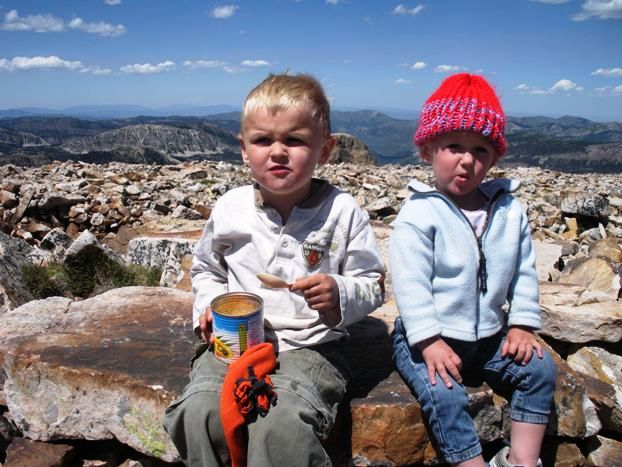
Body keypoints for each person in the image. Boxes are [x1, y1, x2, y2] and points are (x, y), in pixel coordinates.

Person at [163, 72, 385, 466]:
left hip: (311, 345)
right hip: (235, 343)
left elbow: (372, 284)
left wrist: (339, 293)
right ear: (244, 150)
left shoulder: (342, 212)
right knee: (198, 411)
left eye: (294, 140)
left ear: (325, 150)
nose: (277, 151)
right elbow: (207, 268)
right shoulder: (231, 208)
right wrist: (211, 304)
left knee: (281, 425)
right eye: (263, 140)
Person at [390, 73, 556, 467]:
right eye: (453, 146)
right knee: (444, 392)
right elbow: (410, 283)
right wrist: (428, 340)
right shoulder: (419, 212)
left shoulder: (509, 210)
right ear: (428, 150)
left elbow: (524, 272)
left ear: (495, 158)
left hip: (490, 337)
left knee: (539, 368)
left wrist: (521, 324)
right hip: (426, 340)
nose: (467, 160)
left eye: (480, 149)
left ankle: (521, 460)